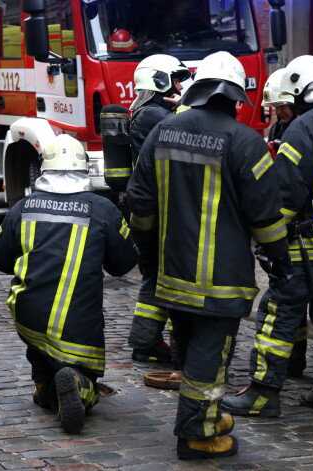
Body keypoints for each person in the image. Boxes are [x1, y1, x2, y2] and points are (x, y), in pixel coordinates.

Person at [126, 51, 290, 459]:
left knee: (188, 349)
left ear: (196, 90)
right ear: (235, 97)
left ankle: (207, 417)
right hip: (221, 280)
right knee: (208, 360)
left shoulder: (161, 132)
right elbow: (266, 216)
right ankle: (198, 435)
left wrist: (147, 256)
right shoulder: (246, 141)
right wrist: (280, 260)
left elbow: (139, 206)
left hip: (170, 272)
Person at [221, 55, 313, 417]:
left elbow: (286, 192)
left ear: (303, 90)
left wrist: (271, 239)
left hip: (307, 244)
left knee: (278, 312)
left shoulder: (304, 128)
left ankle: (262, 394)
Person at [0, 133, 136, 434]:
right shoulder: (102, 209)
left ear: (45, 170)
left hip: (27, 312)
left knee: (40, 343)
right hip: (78, 320)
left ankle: (44, 385)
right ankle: (79, 384)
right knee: (86, 368)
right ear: (83, 170)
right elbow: (123, 264)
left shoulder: (24, 207)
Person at [127, 54, 190, 367]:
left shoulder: (146, 111)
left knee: (154, 276)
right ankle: (153, 343)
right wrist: (191, 104)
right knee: (163, 275)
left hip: (150, 205)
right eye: (175, 79)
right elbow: (188, 132)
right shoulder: (154, 114)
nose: (180, 86)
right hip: (160, 208)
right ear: (159, 81)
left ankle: (145, 341)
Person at [263, 68, 306, 377]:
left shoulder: (302, 130)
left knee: (284, 303)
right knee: (295, 306)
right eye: (275, 106)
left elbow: (293, 186)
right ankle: (294, 363)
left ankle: (279, 369)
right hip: (286, 226)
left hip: (301, 229)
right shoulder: (279, 128)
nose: (278, 111)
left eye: (282, 105)